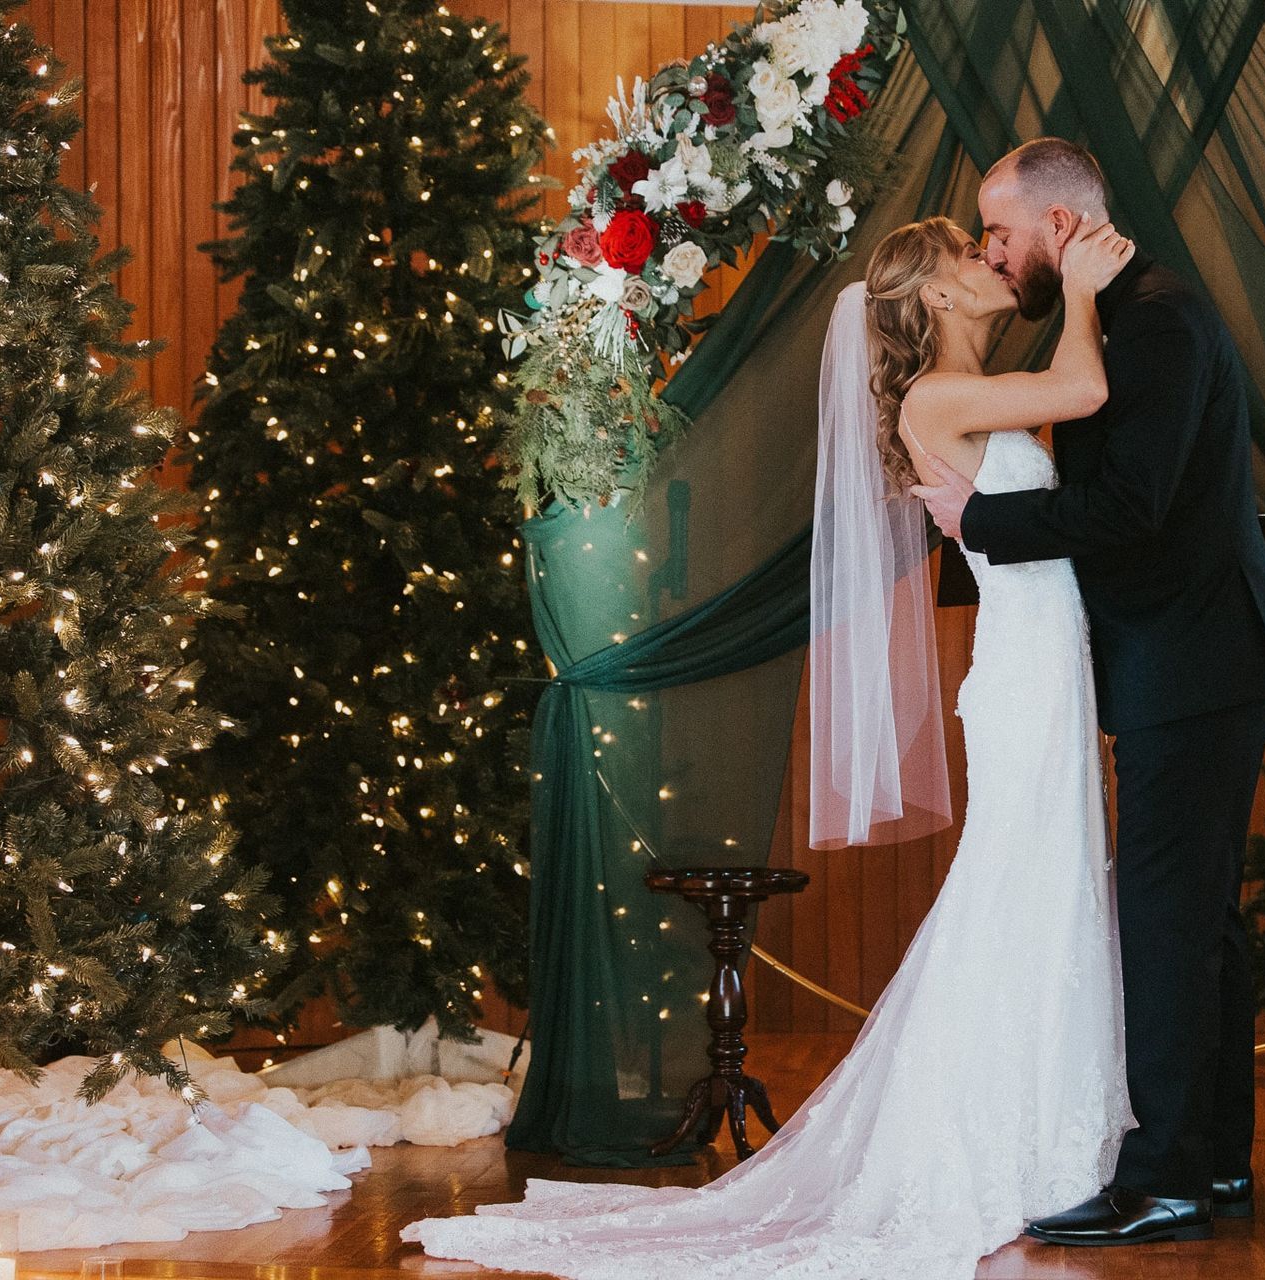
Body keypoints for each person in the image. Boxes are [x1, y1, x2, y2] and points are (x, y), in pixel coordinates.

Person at [402, 214, 1147, 1279]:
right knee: (1022, 890)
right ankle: (1003, 1141)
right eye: (966, 254)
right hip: (1026, 676)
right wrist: (1079, 290)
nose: (990, 262)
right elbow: (1083, 390)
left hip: (1048, 669)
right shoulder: (940, 398)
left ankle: (1044, 1122)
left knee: (1048, 887)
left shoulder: (969, 388)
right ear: (934, 299)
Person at [912, 137, 1265, 1247]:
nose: (993, 250)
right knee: (1200, 919)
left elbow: (1131, 506)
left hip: (1195, 660)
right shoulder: (1120, 318)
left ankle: (1167, 1177)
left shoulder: (1160, 323)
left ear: (1058, 226)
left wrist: (978, 526)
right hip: (1183, 658)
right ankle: (1216, 1163)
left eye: (1000, 231)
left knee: (1170, 918)